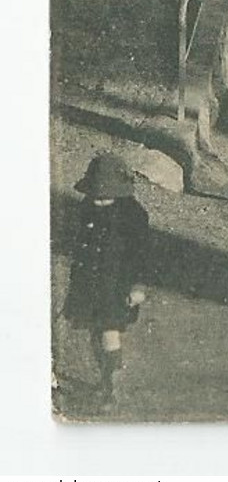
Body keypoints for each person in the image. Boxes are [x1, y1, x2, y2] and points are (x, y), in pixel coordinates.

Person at [63, 154, 149, 408]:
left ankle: (113, 386)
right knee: (94, 331)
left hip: (116, 285)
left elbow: (141, 254)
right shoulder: (88, 207)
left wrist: (138, 284)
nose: (99, 200)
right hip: (89, 283)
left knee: (109, 332)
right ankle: (105, 378)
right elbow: (81, 244)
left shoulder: (132, 215)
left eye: (105, 195)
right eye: (96, 194)